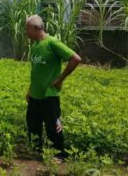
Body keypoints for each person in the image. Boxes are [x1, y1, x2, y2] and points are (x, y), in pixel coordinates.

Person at [25, 15, 81, 160]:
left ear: (37, 29)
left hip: (49, 94)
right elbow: (35, 71)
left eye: (27, 29)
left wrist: (60, 79)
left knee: (52, 127)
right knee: (33, 124)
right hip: (35, 95)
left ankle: (59, 155)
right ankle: (36, 151)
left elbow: (75, 58)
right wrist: (30, 90)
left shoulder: (52, 43)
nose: (26, 32)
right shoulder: (36, 46)